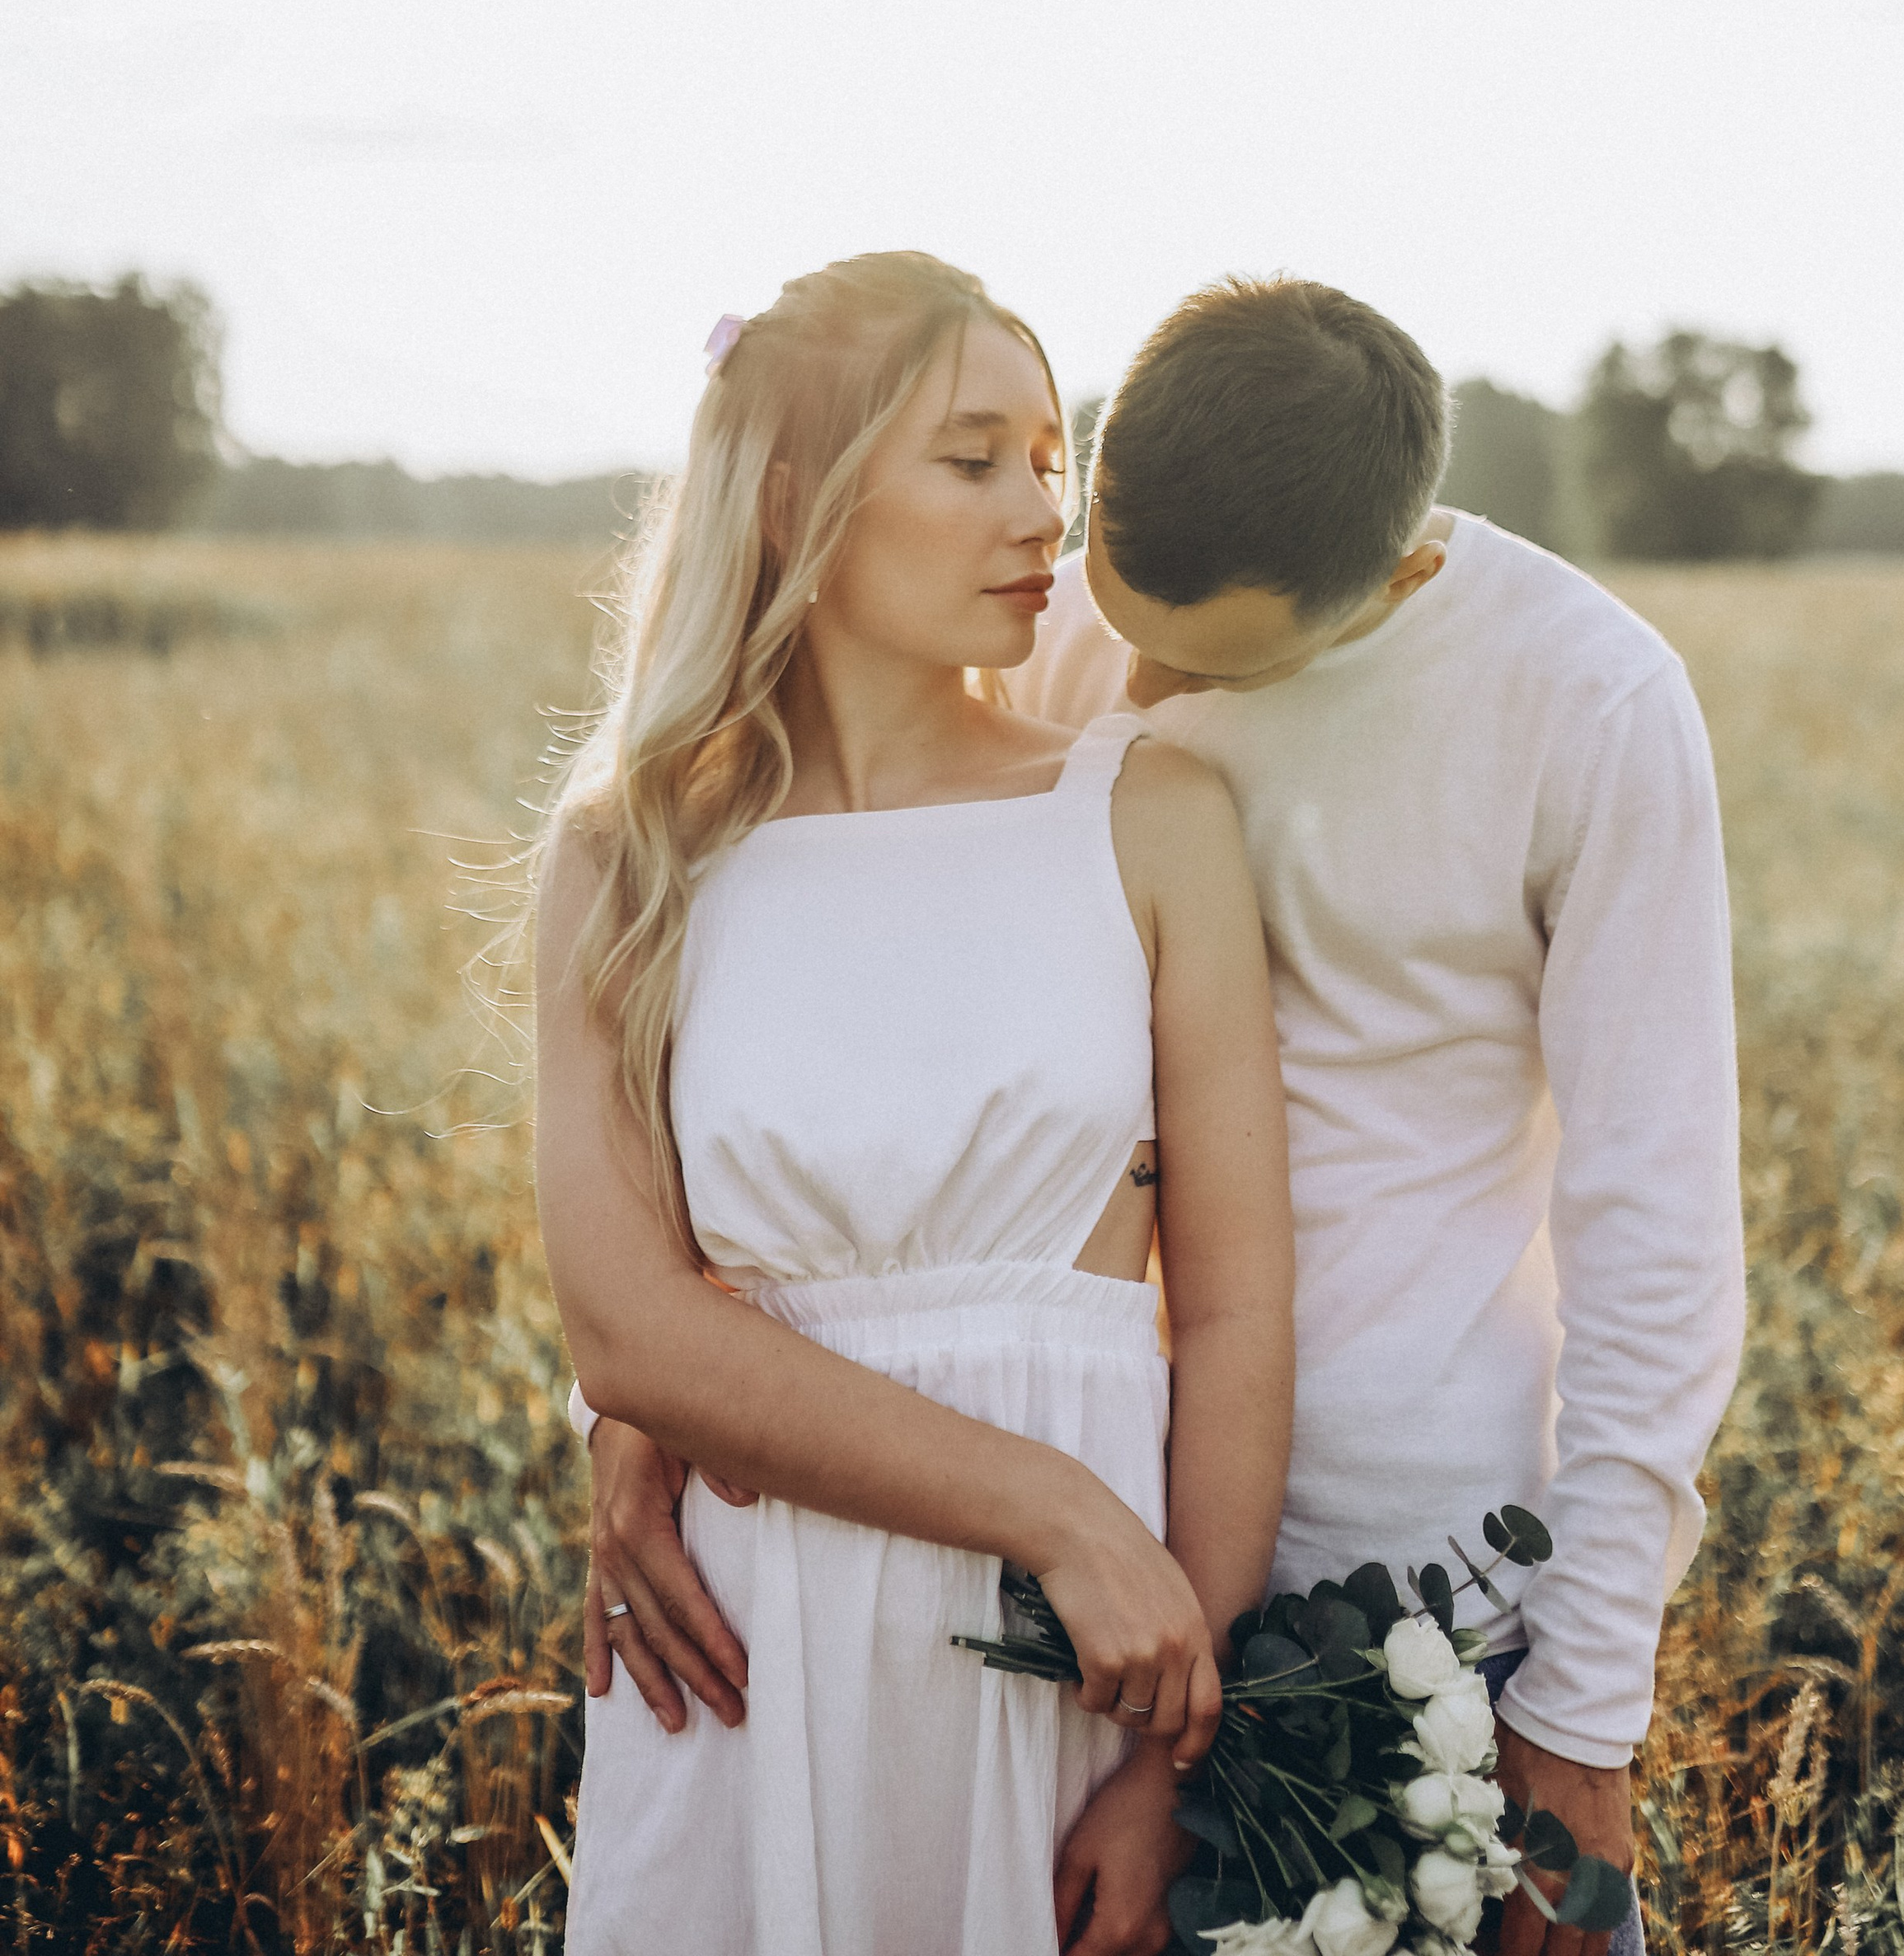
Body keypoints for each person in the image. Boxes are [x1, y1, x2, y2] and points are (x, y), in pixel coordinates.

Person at [587, 272, 1744, 1956]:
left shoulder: (1589, 710)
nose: (1110, 662)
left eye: (1186, 656)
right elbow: (835, 1012)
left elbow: (1655, 1242)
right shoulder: (1040, 601)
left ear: (1382, 580)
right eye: (1098, 585)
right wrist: (666, 1389)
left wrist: (1581, 1722)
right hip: (1078, 1555)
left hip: (1416, 1585)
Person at [536, 250, 1293, 1956]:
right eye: (973, 460)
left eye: (1050, 456)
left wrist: (1177, 1760)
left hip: (1081, 1674)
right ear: (794, 497)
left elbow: (1237, 1312)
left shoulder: (1147, 814)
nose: (1043, 514)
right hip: (749, 1658)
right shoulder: (630, 859)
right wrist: (1055, 1510)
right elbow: (629, 1337)